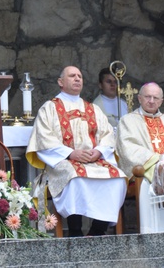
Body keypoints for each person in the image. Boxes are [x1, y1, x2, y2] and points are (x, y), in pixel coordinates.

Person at [26, 66, 127, 237]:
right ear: (60, 82)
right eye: (72, 76)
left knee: (118, 178)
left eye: (80, 76)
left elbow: (108, 134)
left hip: (94, 160)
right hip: (64, 161)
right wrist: (70, 153)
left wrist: (99, 151)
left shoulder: (93, 109)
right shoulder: (49, 108)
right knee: (74, 177)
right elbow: (43, 138)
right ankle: (75, 232)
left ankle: (97, 231)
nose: (77, 79)